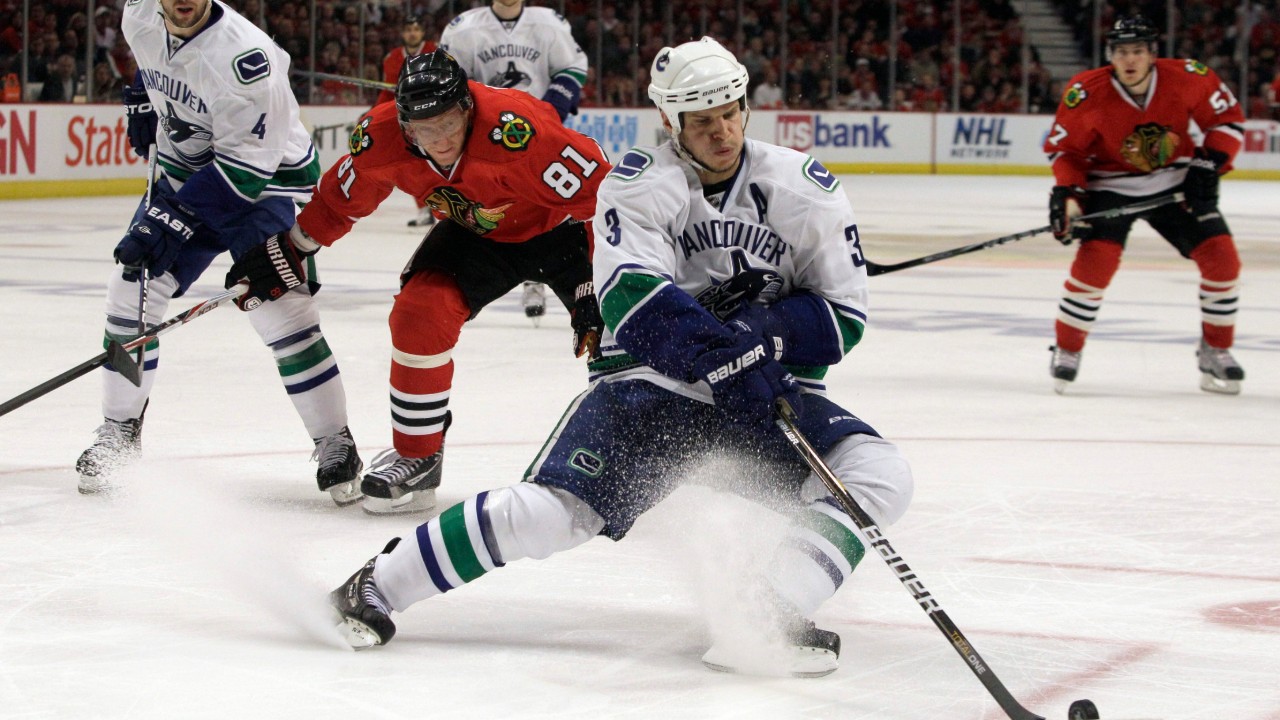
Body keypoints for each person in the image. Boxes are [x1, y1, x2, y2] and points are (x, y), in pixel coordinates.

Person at [327, 38, 914, 679]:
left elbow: (844, 320)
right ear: (671, 121)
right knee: (554, 516)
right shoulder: (637, 184)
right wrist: (723, 351)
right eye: (700, 119)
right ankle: (379, 584)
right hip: (649, 387)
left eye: (729, 112)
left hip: (759, 392)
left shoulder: (805, 189)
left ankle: (767, 612)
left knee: (877, 473)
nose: (721, 131)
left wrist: (765, 332)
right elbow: (633, 300)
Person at [234, 50, 606, 515]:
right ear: (406, 126)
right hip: (478, 234)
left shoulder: (518, 130)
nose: (443, 139)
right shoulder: (380, 138)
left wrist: (598, 280)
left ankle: (659, 450)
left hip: (566, 231)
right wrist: (292, 248)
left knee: (620, 328)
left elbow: (605, 196)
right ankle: (418, 456)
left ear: (468, 107)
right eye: (427, 129)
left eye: (451, 122)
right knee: (418, 314)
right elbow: (342, 198)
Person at [77, 0, 361, 504]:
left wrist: (169, 221)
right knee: (131, 290)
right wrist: (145, 95)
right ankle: (120, 429)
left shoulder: (244, 59)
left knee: (281, 308)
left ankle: (334, 440)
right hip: (186, 172)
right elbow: (159, 67)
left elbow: (244, 175)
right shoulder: (138, 15)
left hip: (267, 182)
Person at [1044, 15, 1247, 395]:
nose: (1130, 60)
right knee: (1094, 265)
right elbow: (1066, 150)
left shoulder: (1189, 76)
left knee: (1222, 259)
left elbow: (1227, 121)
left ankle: (1216, 350)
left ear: (1153, 54)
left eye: (1138, 51)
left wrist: (1210, 161)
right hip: (1111, 187)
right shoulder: (1086, 91)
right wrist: (1069, 195)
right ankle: (1068, 350)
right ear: (1111, 56)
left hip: (1175, 183)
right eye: (1122, 52)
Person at [440, 0, 589, 321]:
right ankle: (478, 279)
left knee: (545, 206)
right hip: (485, 138)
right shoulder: (463, 28)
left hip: (542, 136)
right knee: (501, 207)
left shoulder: (548, 23)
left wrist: (551, 110)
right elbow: (448, 80)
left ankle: (536, 276)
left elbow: (572, 66)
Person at [373, 14, 438, 229]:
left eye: (416, 29)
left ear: (422, 32)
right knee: (413, 164)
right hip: (408, 119)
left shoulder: (435, 51)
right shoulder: (392, 58)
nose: (413, 33)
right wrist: (374, 114)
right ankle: (423, 210)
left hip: (434, 115)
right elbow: (386, 92)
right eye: (409, 29)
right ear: (403, 34)